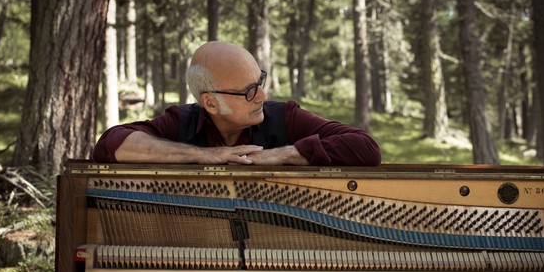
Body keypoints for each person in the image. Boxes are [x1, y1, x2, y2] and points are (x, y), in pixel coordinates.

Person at [92, 41, 381, 166]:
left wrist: (283, 155)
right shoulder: (182, 122)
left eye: (260, 82)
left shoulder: (285, 117)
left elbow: (365, 148)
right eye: (249, 91)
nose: (263, 97)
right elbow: (110, 143)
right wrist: (204, 155)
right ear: (211, 103)